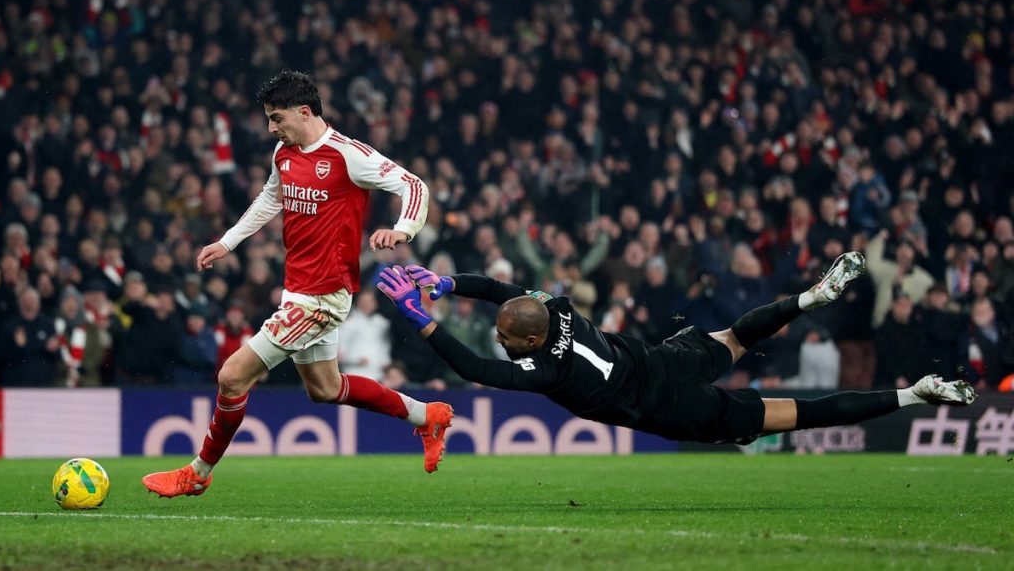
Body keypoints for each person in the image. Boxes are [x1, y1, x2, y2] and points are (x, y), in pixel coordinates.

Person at [142, 70, 453, 498]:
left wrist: (403, 230)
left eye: (277, 118)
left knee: (232, 376)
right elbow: (270, 198)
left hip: (323, 298)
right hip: (298, 289)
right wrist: (227, 242)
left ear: (304, 112)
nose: (272, 128)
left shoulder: (348, 155)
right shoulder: (283, 153)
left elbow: (413, 185)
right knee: (326, 389)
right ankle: (427, 416)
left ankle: (198, 473)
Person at [377, 251, 976, 447]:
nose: (499, 337)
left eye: (506, 336)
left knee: (800, 414)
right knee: (738, 335)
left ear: (528, 342)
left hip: (670, 406)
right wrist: (448, 284)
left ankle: (915, 394)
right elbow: (502, 291)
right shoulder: (556, 307)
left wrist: (421, 319)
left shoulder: (543, 370)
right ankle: (810, 297)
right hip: (666, 359)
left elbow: (475, 367)